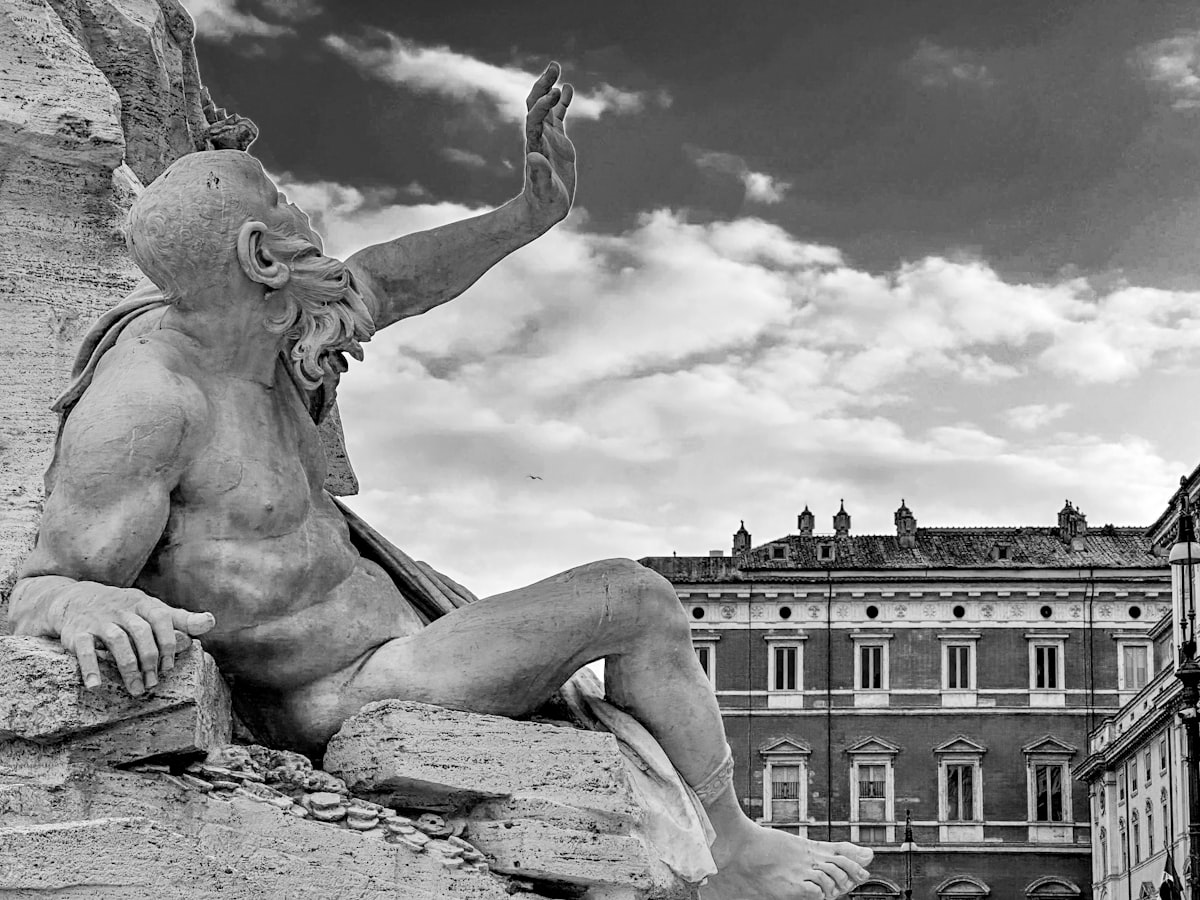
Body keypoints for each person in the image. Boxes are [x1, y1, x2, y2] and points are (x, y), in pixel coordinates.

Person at [8, 63, 872, 899]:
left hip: (403, 627)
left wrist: (529, 213)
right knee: (633, 598)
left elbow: (391, 278)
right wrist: (83, 603)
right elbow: (43, 585)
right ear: (259, 252)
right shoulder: (149, 402)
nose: (303, 210)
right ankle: (730, 847)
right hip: (344, 690)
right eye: (281, 199)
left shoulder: (265, 326)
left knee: (608, 610)